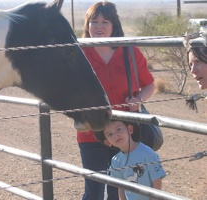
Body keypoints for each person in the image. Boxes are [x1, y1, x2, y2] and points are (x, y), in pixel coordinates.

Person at [77, 1, 155, 200]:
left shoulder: (130, 51)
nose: (99, 26)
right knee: (93, 191)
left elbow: (149, 84)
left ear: (114, 26)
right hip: (90, 133)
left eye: (105, 21)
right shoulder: (79, 54)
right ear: (87, 25)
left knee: (119, 191)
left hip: (125, 132)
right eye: (94, 21)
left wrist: (138, 98)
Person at [98, 120, 166, 200]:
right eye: (110, 134)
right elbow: (121, 187)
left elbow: (157, 181)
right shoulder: (116, 161)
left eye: (118, 129)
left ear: (130, 129)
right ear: (108, 142)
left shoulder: (147, 153)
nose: (115, 135)